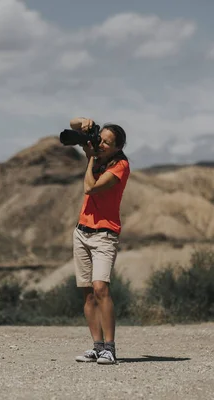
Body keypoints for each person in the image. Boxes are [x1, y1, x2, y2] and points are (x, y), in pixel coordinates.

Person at [70, 117, 130, 365]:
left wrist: (91, 157)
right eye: (100, 140)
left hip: (105, 234)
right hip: (82, 232)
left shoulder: (120, 166)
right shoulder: (98, 154)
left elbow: (90, 188)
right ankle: (96, 346)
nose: (101, 144)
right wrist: (83, 124)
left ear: (118, 147)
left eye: (107, 143)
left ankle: (110, 348)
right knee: (87, 294)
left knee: (100, 288)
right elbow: (72, 126)